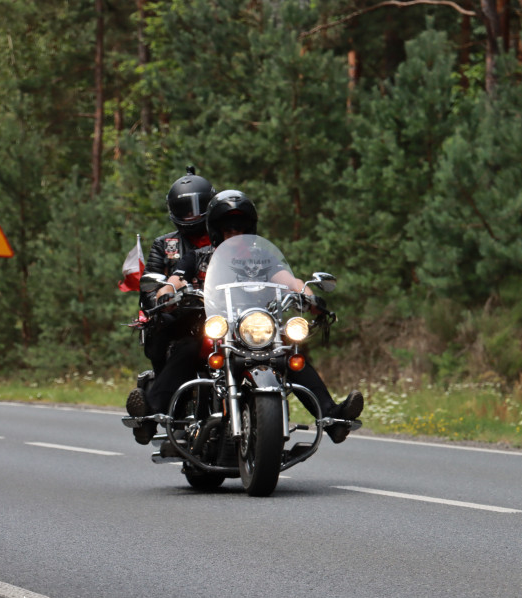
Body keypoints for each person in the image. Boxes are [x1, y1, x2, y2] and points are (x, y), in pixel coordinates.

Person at [140, 189, 363, 444]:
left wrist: (308, 296)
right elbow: (176, 279)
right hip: (217, 326)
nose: (235, 233)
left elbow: (290, 279)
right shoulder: (199, 257)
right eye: (229, 228)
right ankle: (151, 414)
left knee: (290, 354)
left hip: (255, 327)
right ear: (216, 230)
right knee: (188, 348)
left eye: (240, 228)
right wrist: (166, 294)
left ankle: (332, 418)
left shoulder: (262, 257)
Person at [126, 167, 216, 443]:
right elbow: (150, 286)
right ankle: (151, 414)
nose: (193, 215)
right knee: (187, 347)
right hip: (178, 321)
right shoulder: (165, 245)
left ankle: (324, 411)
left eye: (199, 207)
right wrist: (161, 300)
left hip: (224, 316)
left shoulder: (226, 241)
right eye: (185, 209)